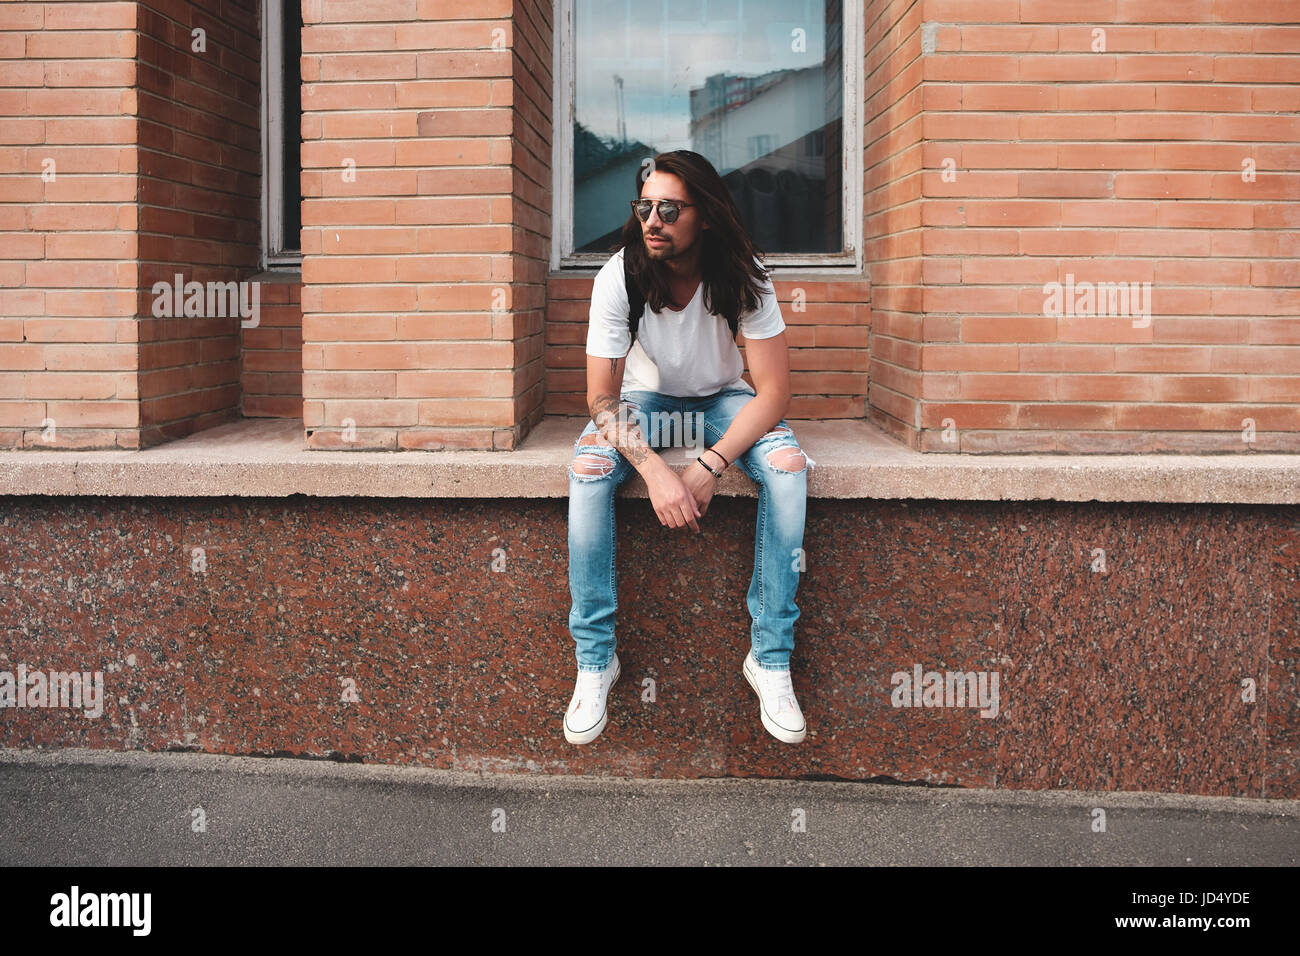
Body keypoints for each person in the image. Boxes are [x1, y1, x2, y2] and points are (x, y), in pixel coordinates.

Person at [565, 150, 815, 747]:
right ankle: (596, 659)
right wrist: (654, 471)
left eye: (669, 209)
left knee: (787, 467)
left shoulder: (743, 272)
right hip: (644, 402)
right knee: (587, 469)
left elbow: (774, 391)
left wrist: (709, 464)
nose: (652, 219)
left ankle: (771, 658)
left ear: (703, 215)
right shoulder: (619, 275)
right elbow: (601, 401)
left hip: (722, 398)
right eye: (644, 206)